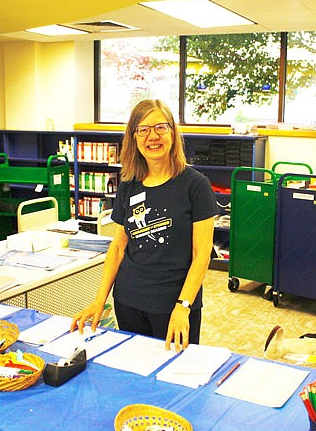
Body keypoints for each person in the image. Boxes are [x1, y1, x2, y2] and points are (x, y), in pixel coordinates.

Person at [71, 99, 218, 352]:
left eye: (160, 127)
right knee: (135, 374)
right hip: (129, 301)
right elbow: (118, 249)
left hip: (173, 305)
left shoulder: (195, 185)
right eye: (143, 129)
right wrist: (99, 300)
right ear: (134, 137)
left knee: (175, 377)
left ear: (173, 132)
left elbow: (201, 254)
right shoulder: (129, 185)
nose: (153, 136)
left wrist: (183, 307)